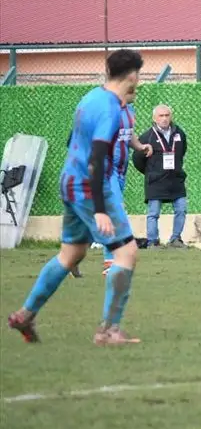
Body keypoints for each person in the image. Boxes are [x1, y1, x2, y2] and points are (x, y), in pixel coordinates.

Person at [7, 49, 146, 345]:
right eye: (139, 76)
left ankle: (25, 315)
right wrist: (100, 209)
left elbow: (74, 142)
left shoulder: (90, 98)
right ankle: (108, 331)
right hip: (89, 187)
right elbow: (96, 159)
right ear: (132, 76)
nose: (139, 81)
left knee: (71, 254)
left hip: (69, 182)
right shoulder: (110, 110)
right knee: (126, 252)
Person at [99, 99, 152, 276]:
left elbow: (127, 135)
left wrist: (140, 147)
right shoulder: (105, 107)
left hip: (121, 169)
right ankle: (112, 261)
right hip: (107, 168)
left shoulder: (129, 109)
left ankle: (71, 254)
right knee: (116, 210)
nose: (135, 90)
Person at [133, 104, 189, 249]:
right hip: (155, 181)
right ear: (154, 118)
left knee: (181, 209)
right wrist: (151, 172)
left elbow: (182, 151)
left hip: (176, 180)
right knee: (153, 213)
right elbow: (137, 159)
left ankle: (176, 239)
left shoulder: (179, 134)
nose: (164, 119)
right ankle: (152, 241)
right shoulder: (147, 136)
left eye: (167, 115)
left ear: (171, 117)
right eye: (161, 116)